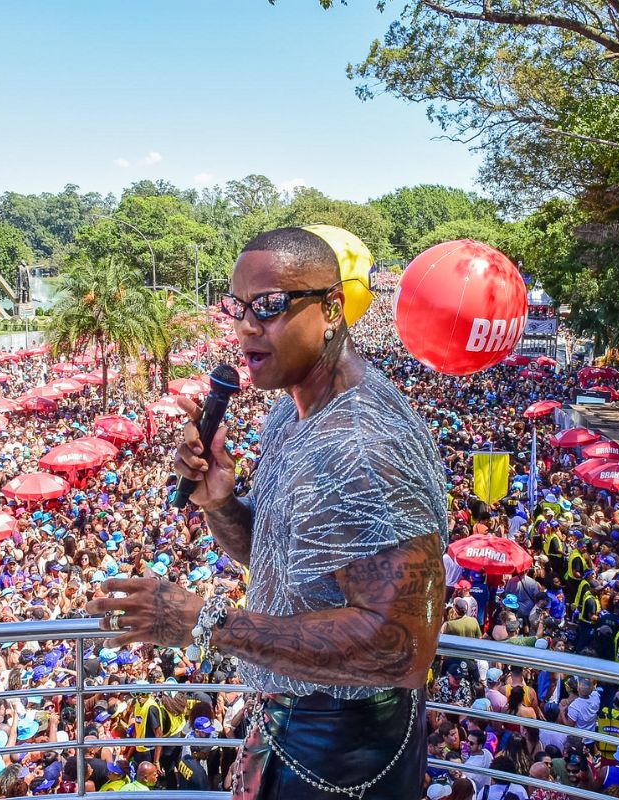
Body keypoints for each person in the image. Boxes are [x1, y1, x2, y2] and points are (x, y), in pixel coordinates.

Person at [89, 227, 448, 799]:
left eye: (271, 306)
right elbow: (280, 560)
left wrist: (206, 624)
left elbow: (401, 646)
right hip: (293, 721)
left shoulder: (360, 443)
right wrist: (222, 502)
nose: (246, 327)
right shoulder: (292, 412)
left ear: (332, 309)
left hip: (347, 750)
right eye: (238, 307)